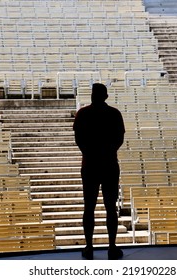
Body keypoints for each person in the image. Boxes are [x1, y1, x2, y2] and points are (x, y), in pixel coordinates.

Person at [73, 83, 125, 260]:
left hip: (90, 164)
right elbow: (119, 139)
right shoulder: (114, 114)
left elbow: (78, 139)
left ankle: (89, 247)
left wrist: (90, 153)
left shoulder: (83, 114)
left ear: (92, 96)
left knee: (89, 207)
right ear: (106, 96)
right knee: (111, 207)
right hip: (110, 164)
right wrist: (107, 152)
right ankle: (112, 246)